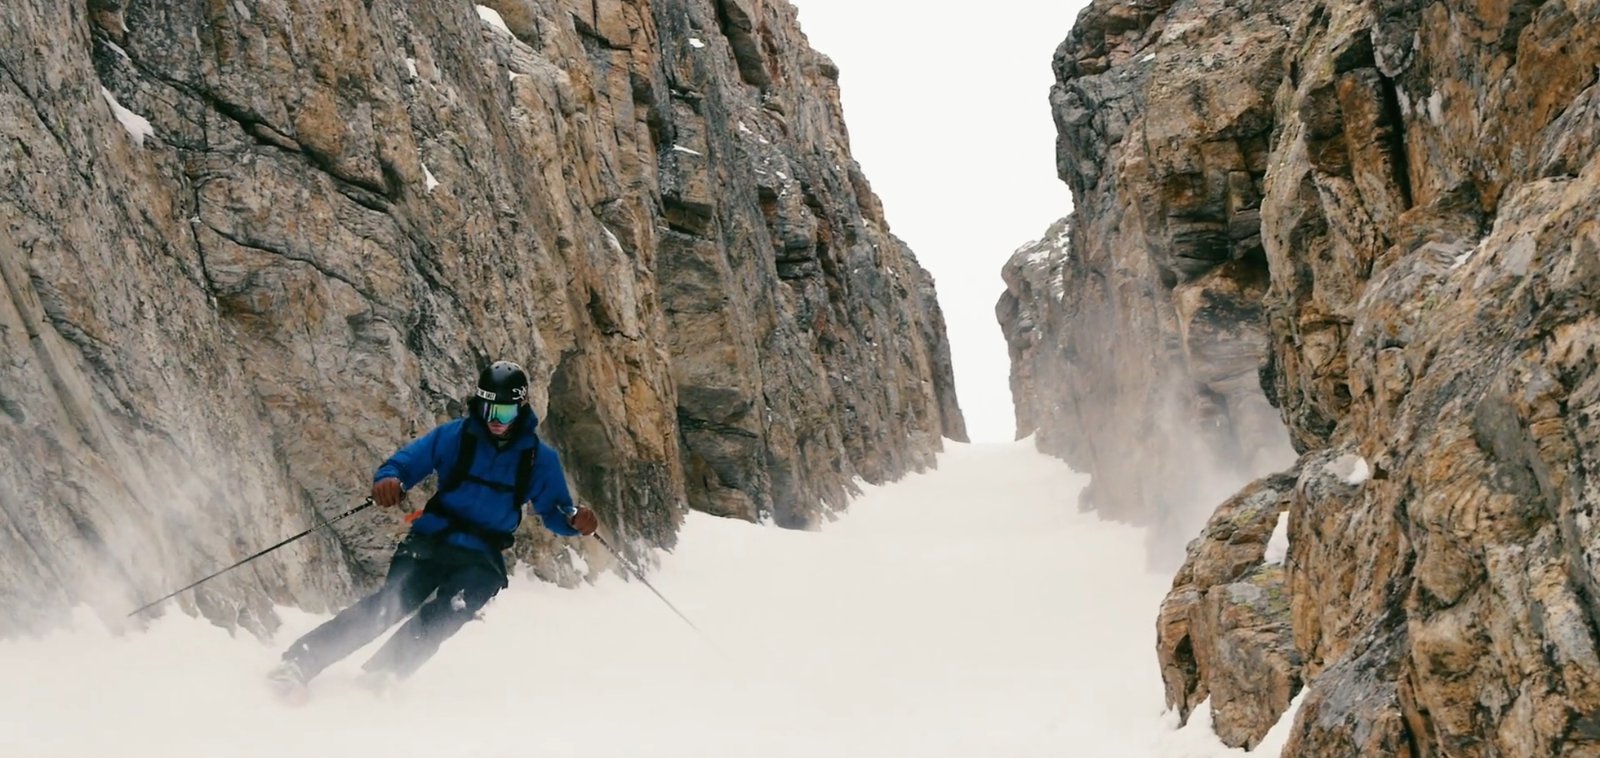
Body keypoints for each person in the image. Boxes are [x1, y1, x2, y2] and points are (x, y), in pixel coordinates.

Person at [267, 360, 598, 699]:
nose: (496, 421)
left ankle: (384, 674)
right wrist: (390, 481)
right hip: (432, 538)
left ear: (521, 408)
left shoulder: (539, 460)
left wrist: (576, 522)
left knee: (452, 608)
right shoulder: (455, 436)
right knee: (390, 604)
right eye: (488, 409)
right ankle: (299, 662)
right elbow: (406, 463)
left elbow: (557, 510)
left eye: (506, 412)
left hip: (481, 555)